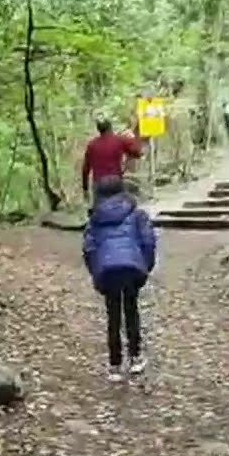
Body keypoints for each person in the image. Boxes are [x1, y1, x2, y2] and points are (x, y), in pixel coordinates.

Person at [82, 175, 157, 382]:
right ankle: (135, 357)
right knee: (131, 310)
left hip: (108, 270)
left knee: (113, 315)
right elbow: (148, 242)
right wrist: (145, 267)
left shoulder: (95, 218)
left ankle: (115, 365)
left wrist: (96, 273)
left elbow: (89, 248)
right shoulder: (137, 214)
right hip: (132, 267)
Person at [81, 118, 144, 206]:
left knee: (100, 209)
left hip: (99, 182)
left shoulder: (92, 145)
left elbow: (85, 168)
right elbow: (138, 153)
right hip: (115, 179)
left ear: (99, 130)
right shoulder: (119, 140)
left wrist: (85, 188)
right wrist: (132, 138)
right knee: (119, 206)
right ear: (110, 128)